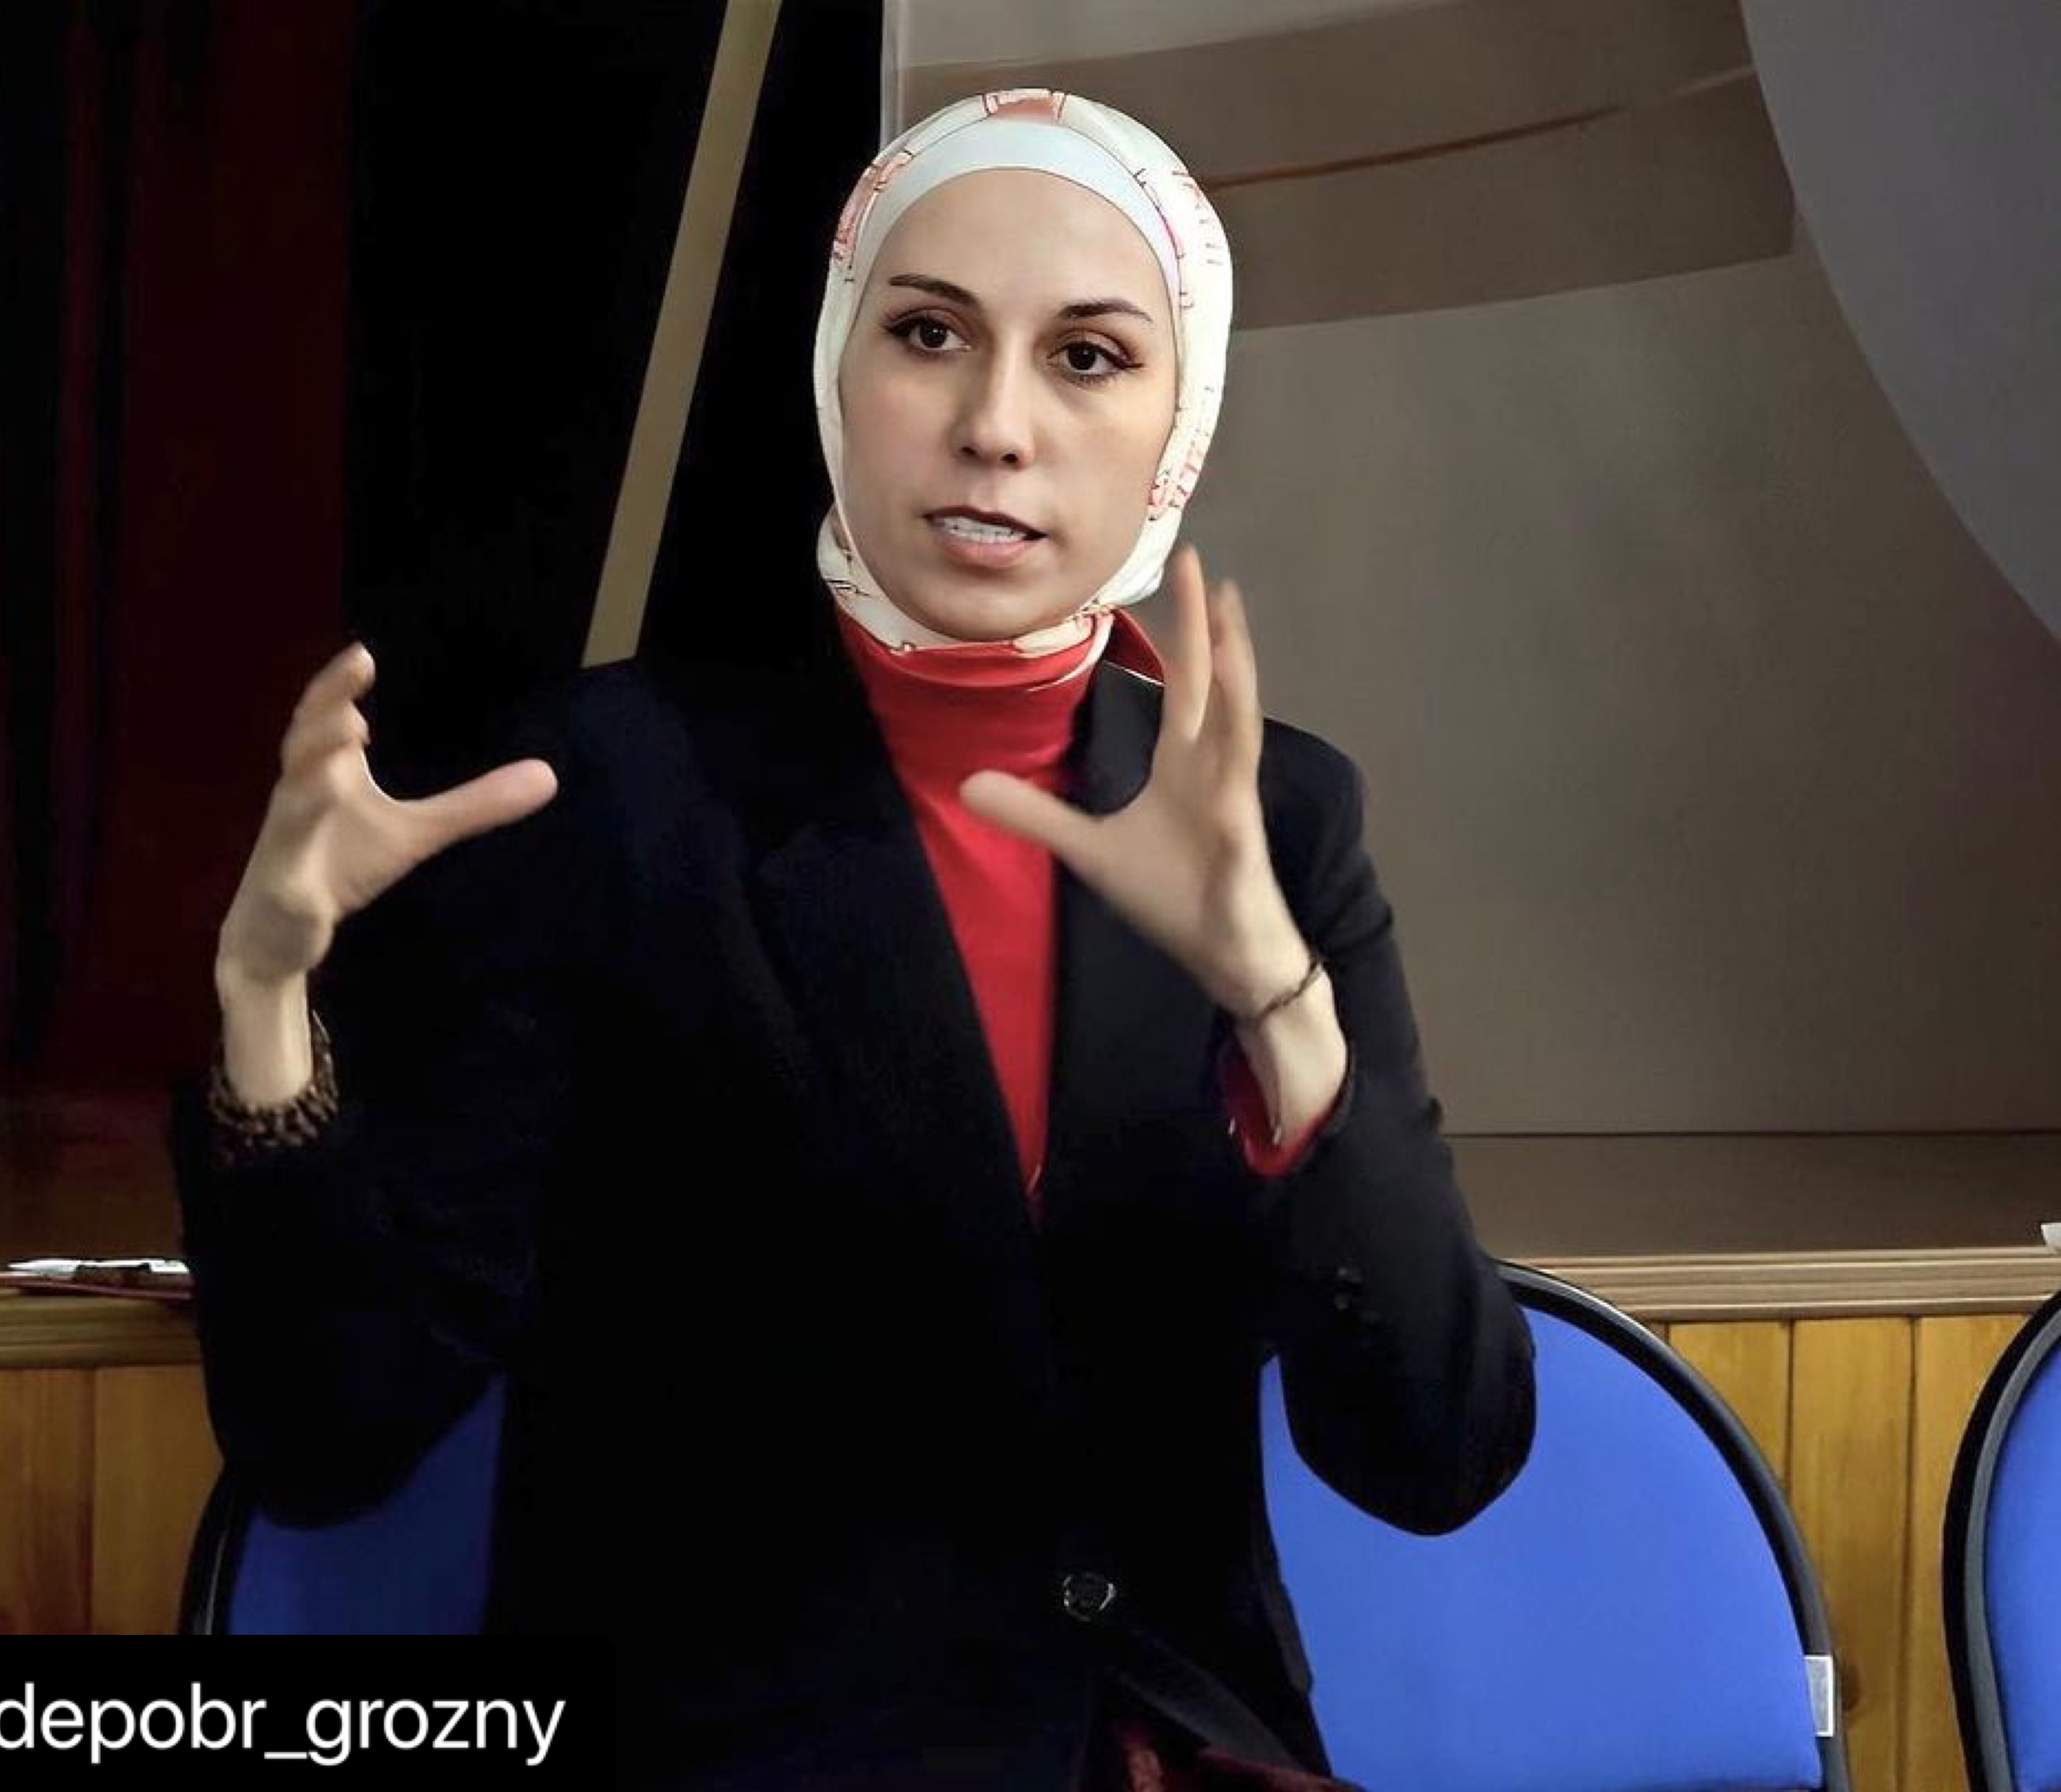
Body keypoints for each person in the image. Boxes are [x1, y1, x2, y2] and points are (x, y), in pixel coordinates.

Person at [168, 89, 1534, 1791]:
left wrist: (1277, 997)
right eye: (929, 334)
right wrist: (265, 998)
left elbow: (1436, 1450)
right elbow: (329, 1429)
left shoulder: (1281, 816)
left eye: (1089, 358)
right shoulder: (615, 790)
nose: (995, 426)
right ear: (835, 366)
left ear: (1180, 424)